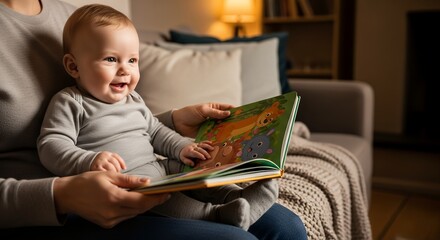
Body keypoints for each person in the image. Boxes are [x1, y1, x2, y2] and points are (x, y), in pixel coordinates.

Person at [0, 0, 308, 239]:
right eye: (111, 60)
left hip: (158, 166)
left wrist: (182, 144)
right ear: (73, 66)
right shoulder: (70, 102)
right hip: (121, 186)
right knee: (182, 206)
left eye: (132, 61)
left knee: (284, 224)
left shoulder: (129, 93)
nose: (125, 70)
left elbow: (153, 129)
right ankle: (216, 215)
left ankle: (236, 196)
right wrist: (87, 162)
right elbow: (52, 143)